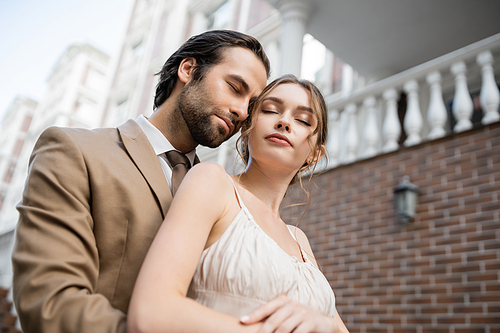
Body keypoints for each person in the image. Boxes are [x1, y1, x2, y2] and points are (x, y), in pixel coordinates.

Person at [12, 30, 270, 333]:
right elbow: (51, 303)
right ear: (188, 70)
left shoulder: (226, 199)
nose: (242, 112)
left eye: (251, 105)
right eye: (235, 87)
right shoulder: (74, 151)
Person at [127, 75, 349, 333]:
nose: (284, 122)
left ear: (314, 154)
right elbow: (151, 313)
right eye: (270, 110)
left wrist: (324, 325)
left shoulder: (300, 240)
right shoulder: (212, 182)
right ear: (247, 128)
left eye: (302, 120)